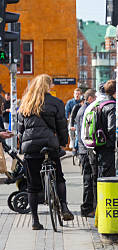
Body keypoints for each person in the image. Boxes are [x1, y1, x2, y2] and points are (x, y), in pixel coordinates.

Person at [17, 74, 74, 230]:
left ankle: (35, 220)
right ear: (48, 86)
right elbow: (62, 126)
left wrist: (23, 145)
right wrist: (62, 144)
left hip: (31, 148)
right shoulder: (56, 102)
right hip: (49, 144)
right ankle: (64, 207)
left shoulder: (25, 103)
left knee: (32, 186)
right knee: (59, 177)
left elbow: (20, 129)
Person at [88, 80, 117, 212]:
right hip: (107, 147)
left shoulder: (98, 104)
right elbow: (112, 129)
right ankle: (105, 209)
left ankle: (97, 208)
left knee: (97, 178)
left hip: (96, 145)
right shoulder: (111, 106)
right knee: (107, 179)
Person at [75, 89, 96, 217]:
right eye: (94, 99)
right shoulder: (85, 111)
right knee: (88, 179)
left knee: (89, 179)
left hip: (84, 149)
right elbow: (87, 132)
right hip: (85, 150)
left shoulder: (83, 109)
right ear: (89, 99)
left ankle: (88, 207)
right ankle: (87, 208)